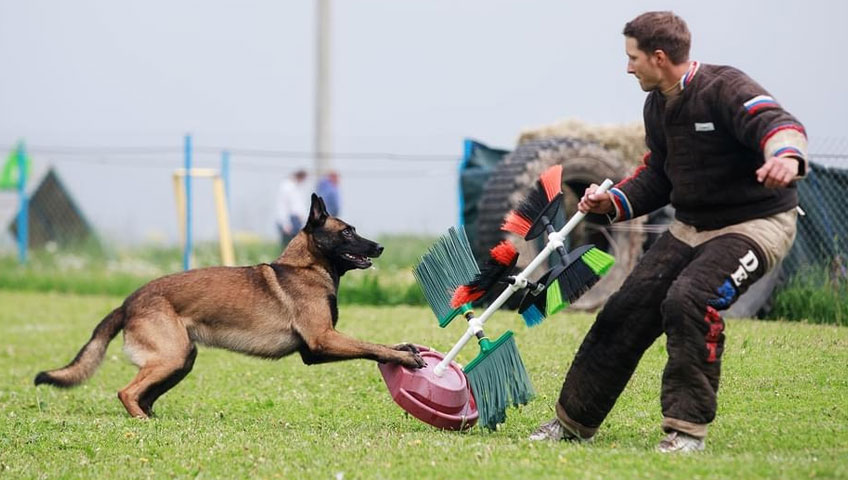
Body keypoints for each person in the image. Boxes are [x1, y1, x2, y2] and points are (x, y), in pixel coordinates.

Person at [529, 11, 808, 452]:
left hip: (755, 224)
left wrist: (786, 158)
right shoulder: (657, 104)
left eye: (632, 57)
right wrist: (613, 202)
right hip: (691, 226)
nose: (627, 67)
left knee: (690, 301)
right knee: (625, 310)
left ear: (659, 57)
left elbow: (778, 124)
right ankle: (571, 423)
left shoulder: (724, 88)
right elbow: (658, 175)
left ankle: (685, 431)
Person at [275, 169, 310, 247]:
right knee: (287, 246)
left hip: (296, 220)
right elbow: (283, 206)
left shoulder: (297, 187)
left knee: (295, 246)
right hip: (289, 220)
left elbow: (299, 205)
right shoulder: (287, 187)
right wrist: (285, 223)